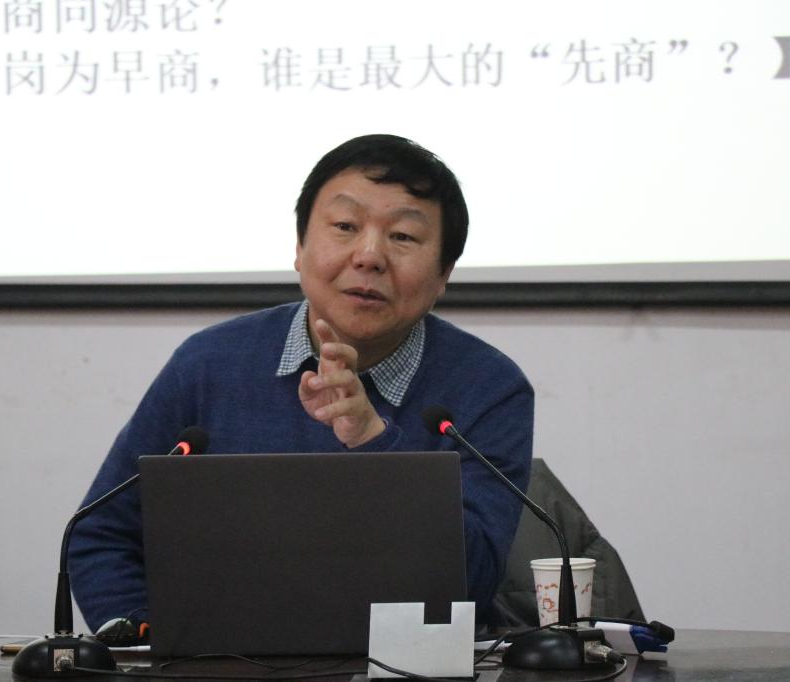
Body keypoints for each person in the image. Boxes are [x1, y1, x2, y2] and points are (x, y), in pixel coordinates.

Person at [68, 134, 535, 632]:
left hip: (412, 663)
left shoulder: (489, 387)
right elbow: (100, 534)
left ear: (444, 273)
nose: (369, 256)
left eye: (402, 236)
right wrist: (145, 634)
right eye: (345, 226)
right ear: (299, 247)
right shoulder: (208, 366)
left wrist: (373, 442)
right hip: (222, 660)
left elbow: (471, 583)